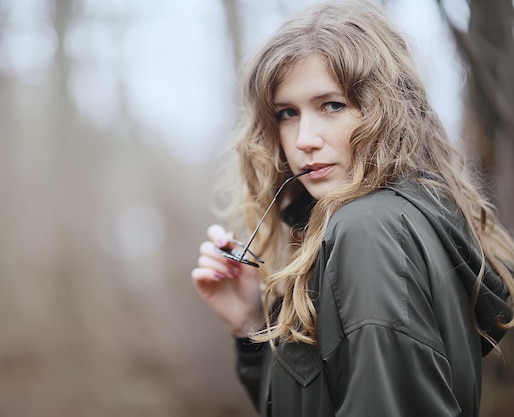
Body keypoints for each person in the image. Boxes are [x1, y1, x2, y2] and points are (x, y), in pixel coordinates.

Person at [191, 1, 514, 416]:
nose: (304, 138)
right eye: (287, 113)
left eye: (332, 105)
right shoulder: (384, 225)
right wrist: (251, 323)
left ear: (389, 110)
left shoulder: (369, 231)